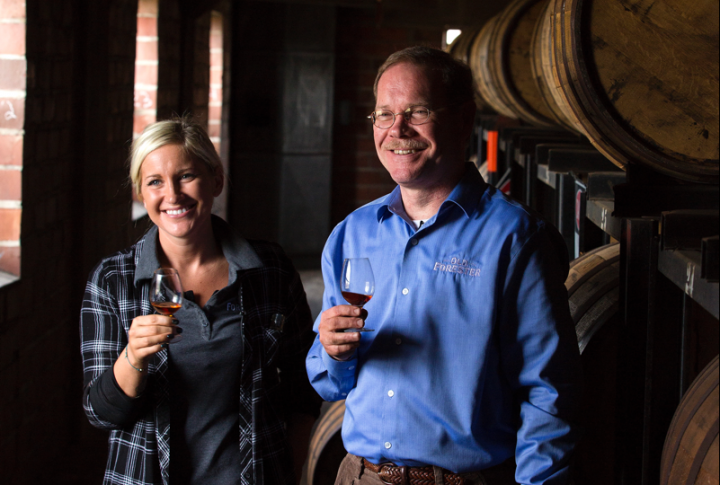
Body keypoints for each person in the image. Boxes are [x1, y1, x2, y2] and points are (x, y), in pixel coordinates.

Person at [306, 46, 582, 485]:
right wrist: (334, 352)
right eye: (383, 114)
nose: (397, 129)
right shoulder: (352, 233)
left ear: (463, 118)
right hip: (361, 476)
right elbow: (330, 384)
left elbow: (547, 389)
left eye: (417, 111)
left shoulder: (515, 238)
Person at [80, 117, 321, 485]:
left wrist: (291, 465)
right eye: (155, 182)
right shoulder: (113, 280)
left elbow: (302, 388)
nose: (173, 195)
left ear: (216, 180)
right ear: (140, 193)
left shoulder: (269, 269)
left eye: (186, 176)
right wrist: (133, 357)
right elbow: (101, 414)